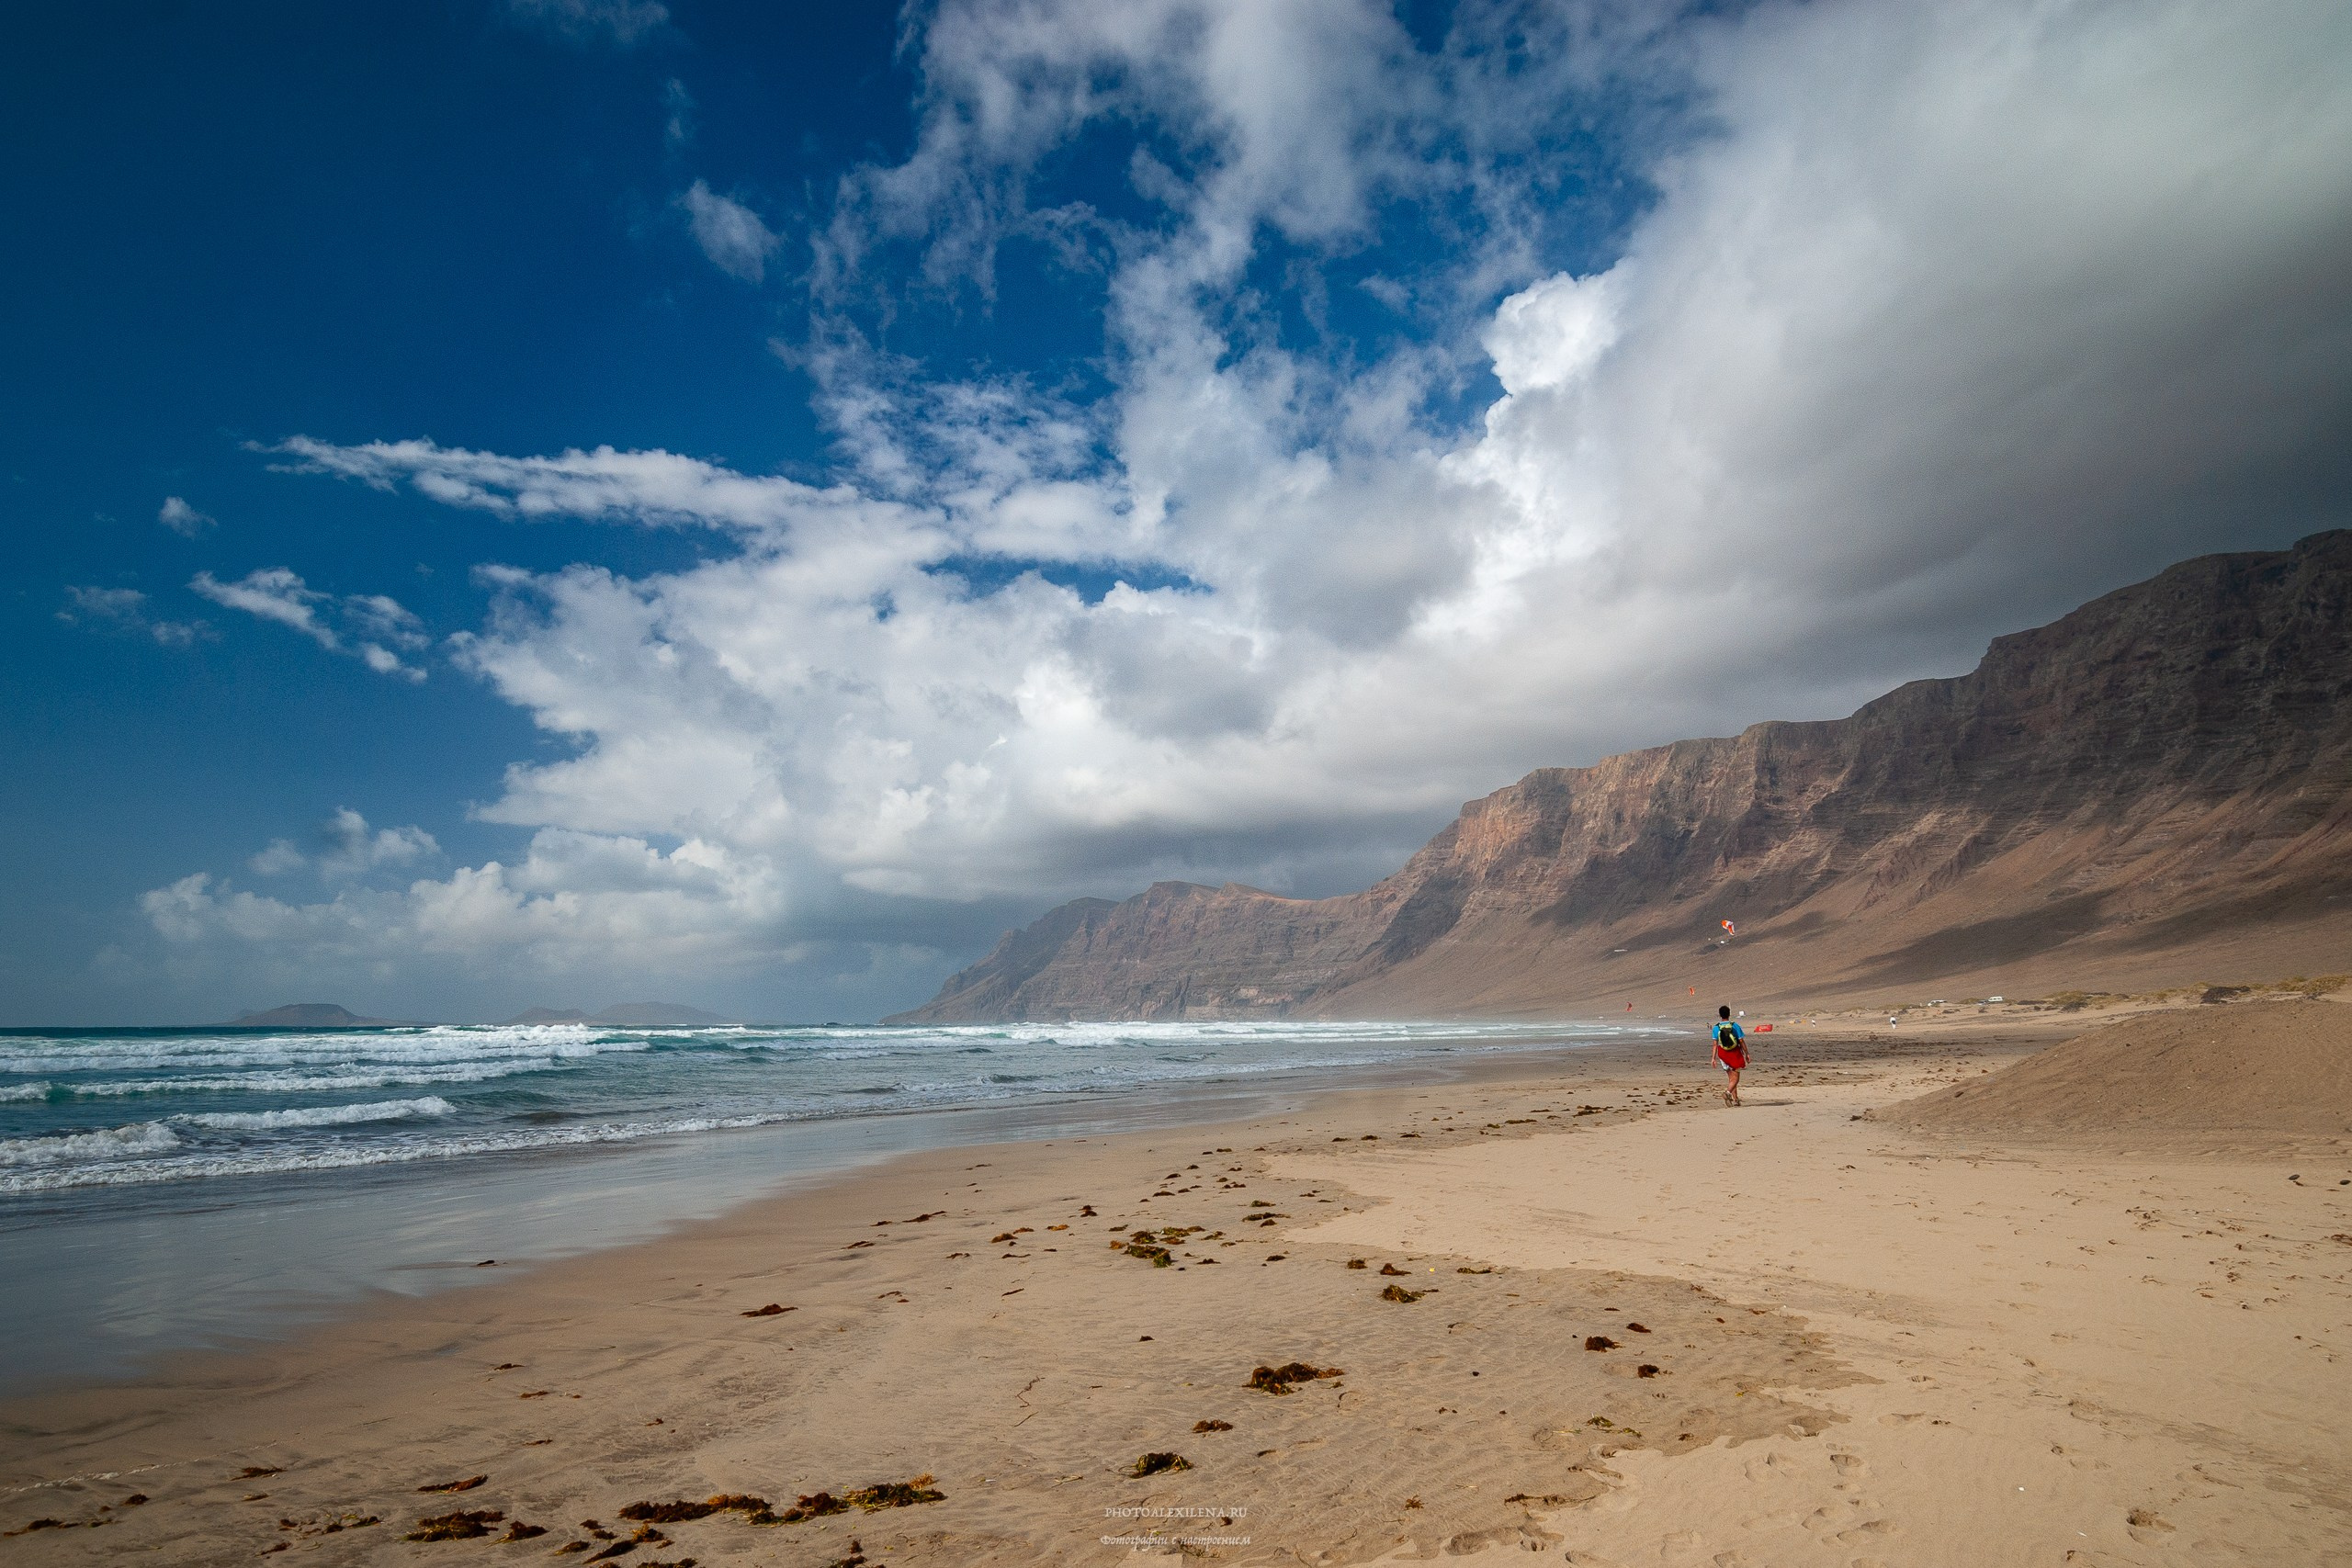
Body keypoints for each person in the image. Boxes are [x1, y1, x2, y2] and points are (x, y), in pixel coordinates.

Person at [1711, 1005, 1748, 1105]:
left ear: (1720, 1015)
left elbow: (1715, 1044)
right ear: (1729, 1014)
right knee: (1736, 1078)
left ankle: (1735, 1100)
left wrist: (1713, 1058)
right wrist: (1747, 1053)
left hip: (1722, 1054)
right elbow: (1741, 1041)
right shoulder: (1734, 1026)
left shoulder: (1716, 1028)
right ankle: (1727, 1093)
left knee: (1731, 1078)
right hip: (1734, 1053)